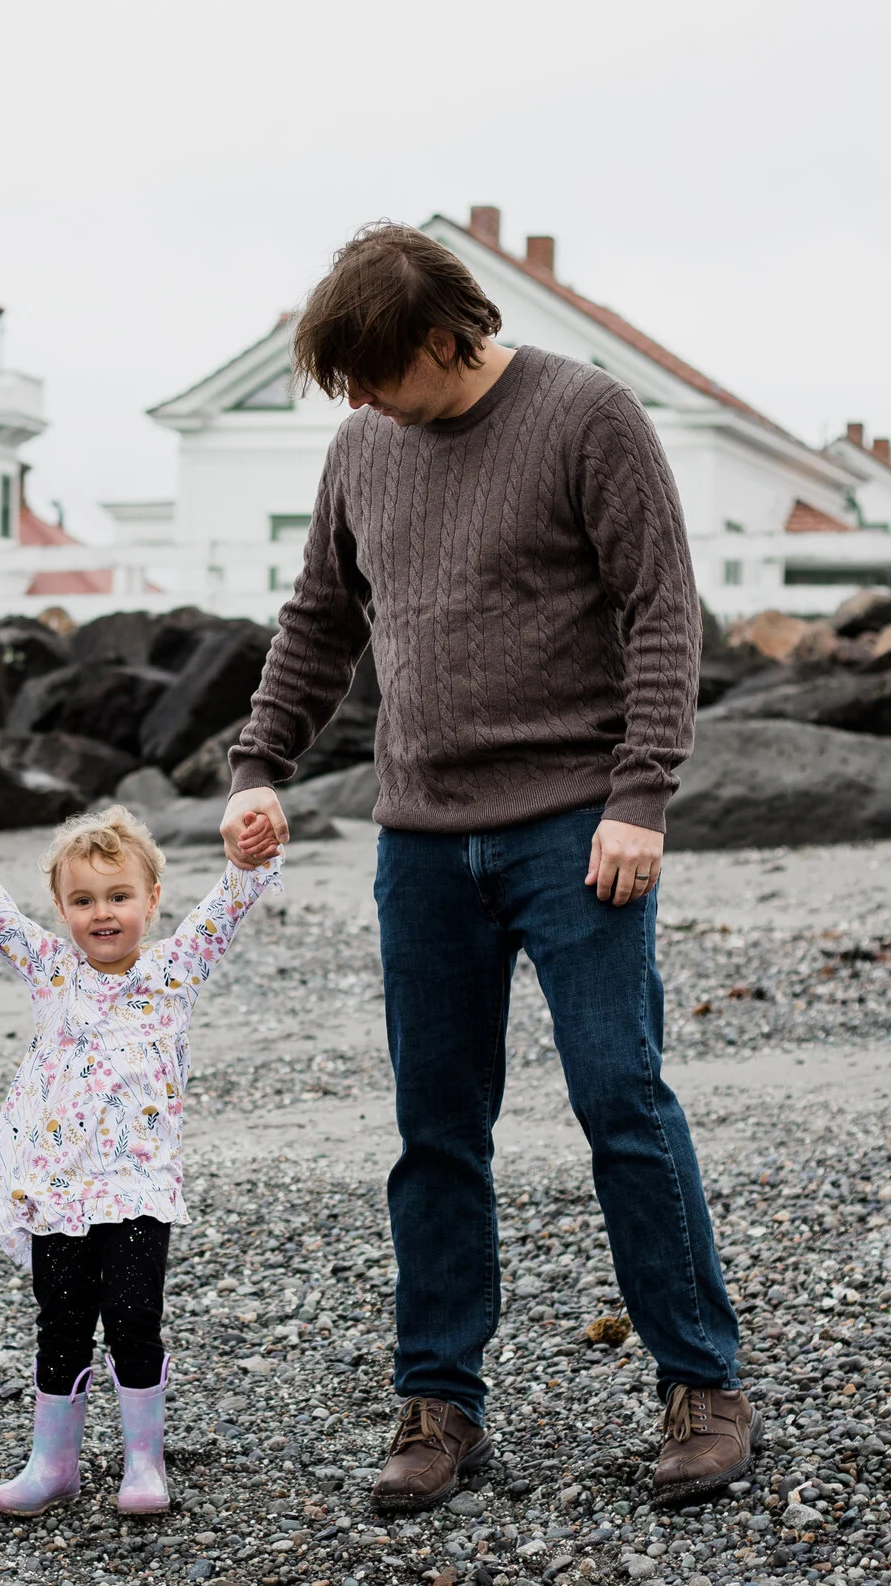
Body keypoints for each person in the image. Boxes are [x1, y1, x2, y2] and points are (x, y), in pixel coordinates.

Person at [219, 222, 753, 1514]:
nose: (353, 400)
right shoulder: (362, 448)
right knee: (434, 1129)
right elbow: (321, 620)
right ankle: (439, 1402)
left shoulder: (588, 415)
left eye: (370, 370)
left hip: (577, 831)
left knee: (623, 1102)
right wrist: (256, 761)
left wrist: (642, 795)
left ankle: (704, 1382)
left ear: (448, 338)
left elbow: (662, 607)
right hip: (419, 841)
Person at [0, 805, 281, 1519]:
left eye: (119, 896)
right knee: (60, 1319)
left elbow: (226, 905)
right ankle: (52, 1462)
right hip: (59, 1191)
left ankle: (143, 1460)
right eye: (83, 900)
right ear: (61, 908)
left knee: (132, 1316)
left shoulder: (174, 970)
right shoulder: (52, 969)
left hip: (140, 1189)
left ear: (152, 900)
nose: (103, 913)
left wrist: (245, 860)